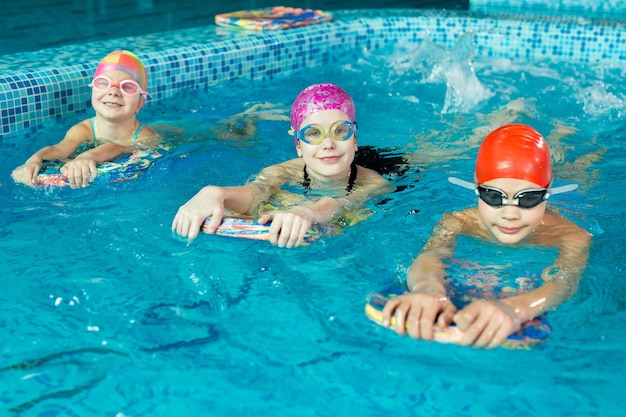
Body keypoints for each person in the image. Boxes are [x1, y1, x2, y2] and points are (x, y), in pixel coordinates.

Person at [381, 123, 592, 349]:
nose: (510, 215)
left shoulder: (571, 235)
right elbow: (431, 254)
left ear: (547, 194)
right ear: (476, 189)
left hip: (577, 199)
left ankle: (566, 136)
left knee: (581, 167)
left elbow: (564, 282)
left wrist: (516, 309)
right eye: (493, 196)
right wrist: (428, 288)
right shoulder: (460, 221)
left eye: (529, 198)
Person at [172, 83, 394, 248]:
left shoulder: (376, 183)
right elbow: (257, 191)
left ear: (354, 138)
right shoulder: (284, 171)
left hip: (388, 163)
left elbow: (344, 204)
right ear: (298, 145)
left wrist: (306, 212)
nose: (327, 143)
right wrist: (216, 193)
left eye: (340, 131)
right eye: (313, 133)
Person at [11, 50, 161, 188]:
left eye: (128, 87)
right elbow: (59, 149)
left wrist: (87, 156)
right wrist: (34, 161)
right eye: (103, 83)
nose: (113, 91)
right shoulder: (83, 129)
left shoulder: (148, 136)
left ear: (140, 102)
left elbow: (120, 148)